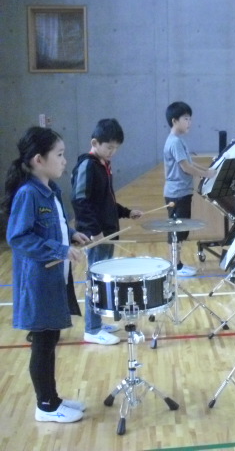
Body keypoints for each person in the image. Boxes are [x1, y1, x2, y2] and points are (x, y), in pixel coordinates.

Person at [3, 127, 91, 423]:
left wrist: (72, 234)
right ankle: (45, 406)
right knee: (42, 343)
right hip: (38, 281)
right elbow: (18, 237)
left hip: (55, 278)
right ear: (38, 160)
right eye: (60, 154)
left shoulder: (51, 189)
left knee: (51, 338)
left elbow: (56, 224)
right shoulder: (28, 193)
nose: (65, 160)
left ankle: (53, 398)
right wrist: (59, 249)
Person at [71, 118, 143, 345]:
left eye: (116, 148)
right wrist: (95, 232)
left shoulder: (103, 165)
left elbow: (106, 202)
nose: (113, 152)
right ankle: (92, 330)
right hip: (97, 236)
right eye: (109, 147)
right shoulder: (87, 165)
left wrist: (127, 212)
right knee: (95, 282)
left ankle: (98, 323)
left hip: (107, 234)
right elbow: (80, 200)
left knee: (102, 281)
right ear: (95, 142)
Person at [163, 101, 215, 276]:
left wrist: (207, 171)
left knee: (182, 230)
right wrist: (207, 174)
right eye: (185, 119)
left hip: (183, 192)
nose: (189, 122)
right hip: (176, 193)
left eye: (190, 119)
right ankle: (175, 267)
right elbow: (185, 167)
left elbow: (191, 164)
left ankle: (177, 264)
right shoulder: (175, 142)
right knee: (176, 231)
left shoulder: (180, 141)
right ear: (174, 121)